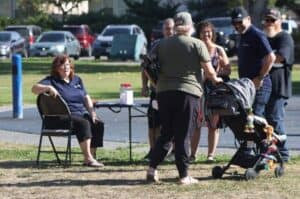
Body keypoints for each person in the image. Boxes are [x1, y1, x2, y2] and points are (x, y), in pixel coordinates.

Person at [145, 12, 223, 185]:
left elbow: (146, 65)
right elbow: (209, 71)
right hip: (188, 93)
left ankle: (152, 169)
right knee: (183, 135)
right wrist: (216, 79)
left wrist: (156, 83)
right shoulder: (197, 44)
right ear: (190, 26)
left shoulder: (161, 44)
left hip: (164, 93)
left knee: (166, 134)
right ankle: (184, 175)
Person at [32, 55, 104, 167]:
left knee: (96, 122)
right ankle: (88, 158)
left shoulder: (77, 80)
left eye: (67, 64)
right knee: (83, 123)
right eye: (62, 65)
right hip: (59, 117)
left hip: (78, 115)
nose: (66, 67)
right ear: (56, 68)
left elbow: (86, 97)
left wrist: (92, 112)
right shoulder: (51, 80)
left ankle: (91, 156)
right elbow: (34, 89)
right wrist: (48, 88)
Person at [190, 21, 231, 162]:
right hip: (198, 90)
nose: (206, 34)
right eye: (203, 32)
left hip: (214, 91)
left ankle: (210, 155)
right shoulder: (194, 49)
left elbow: (228, 70)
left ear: (212, 33)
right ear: (199, 34)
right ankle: (192, 154)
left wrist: (218, 71)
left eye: (209, 32)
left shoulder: (219, 50)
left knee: (213, 124)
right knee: (196, 123)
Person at [231, 7, 275, 117]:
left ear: (249, 19)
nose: (237, 25)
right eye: (234, 23)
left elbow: (271, 57)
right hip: (246, 86)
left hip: (259, 85)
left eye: (240, 22)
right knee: (247, 122)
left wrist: (260, 78)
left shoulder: (256, 34)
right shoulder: (242, 36)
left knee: (254, 121)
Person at [263, 8, 294, 162]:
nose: (269, 23)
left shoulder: (284, 37)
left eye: (272, 20)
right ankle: (269, 151)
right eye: (267, 20)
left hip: (278, 87)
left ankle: (283, 153)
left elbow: (281, 57)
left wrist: (264, 61)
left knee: (276, 120)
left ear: (279, 22)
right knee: (264, 121)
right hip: (264, 88)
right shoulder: (264, 38)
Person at [141, 18, 175, 160]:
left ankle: (172, 152)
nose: (170, 31)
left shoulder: (178, 45)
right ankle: (152, 150)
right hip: (156, 90)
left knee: (171, 122)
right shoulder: (156, 45)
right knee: (153, 122)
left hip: (173, 90)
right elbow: (145, 67)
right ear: (163, 30)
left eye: (172, 28)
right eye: (167, 28)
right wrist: (145, 86)